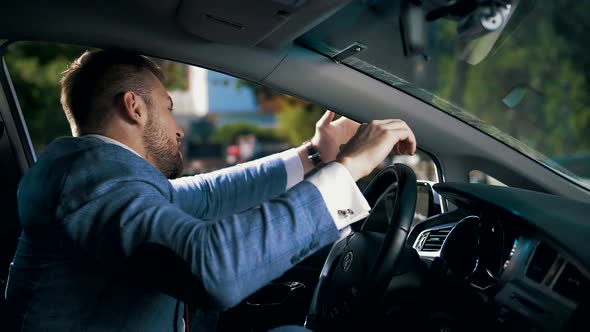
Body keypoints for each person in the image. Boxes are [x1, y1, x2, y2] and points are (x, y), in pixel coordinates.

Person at [4, 50, 416, 332]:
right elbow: (212, 267)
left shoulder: (103, 178)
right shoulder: (89, 183)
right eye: (167, 107)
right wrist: (349, 169)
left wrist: (314, 155)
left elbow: (207, 197)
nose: (178, 126)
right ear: (134, 107)